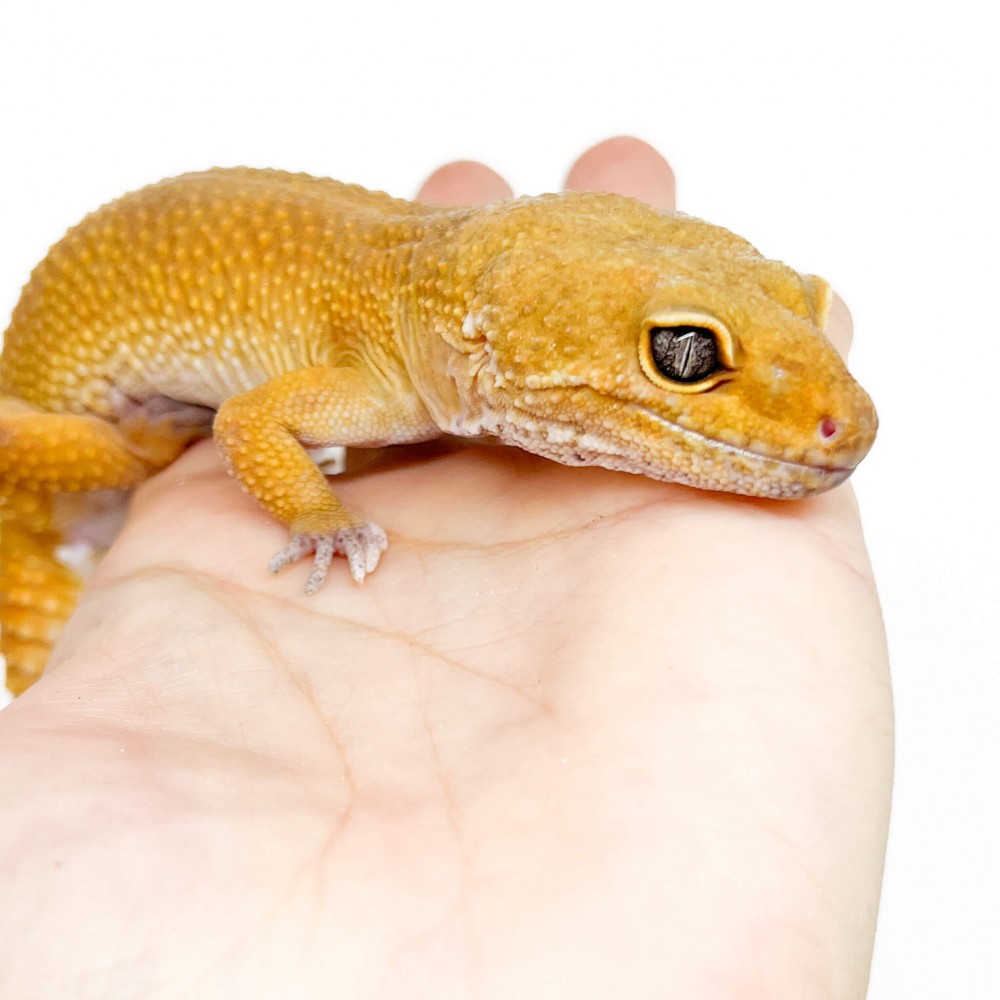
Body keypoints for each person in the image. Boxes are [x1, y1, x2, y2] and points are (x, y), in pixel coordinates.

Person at [0, 137, 891, 997]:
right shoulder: (381, 379)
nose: (838, 420)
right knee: (101, 450)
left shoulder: (435, 309)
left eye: (797, 306)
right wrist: (312, 511)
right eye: (688, 355)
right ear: (482, 338)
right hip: (49, 456)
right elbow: (249, 424)